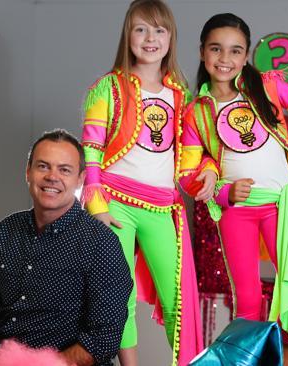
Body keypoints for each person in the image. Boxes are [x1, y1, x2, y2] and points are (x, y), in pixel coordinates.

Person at [179, 13, 288, 366]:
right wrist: (223, 193)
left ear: (247, 55)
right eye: (216, 49)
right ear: (202, 52)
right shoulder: (196, 113)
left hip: (283, 205)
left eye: (235, 51)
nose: (225, 59)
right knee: (247, 298)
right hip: (237, 211)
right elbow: (187, 173)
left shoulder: (267, 89)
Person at [80, 1, 203, 365]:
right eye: (141, 29)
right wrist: (97, 205)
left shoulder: (180, 95)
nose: (151, 38)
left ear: (171, 38)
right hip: (115, 204)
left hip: (162, 207)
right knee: (120, 295)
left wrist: (209, 171)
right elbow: (91, 149)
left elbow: (196, 150)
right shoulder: (107, 88)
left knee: (177, 298)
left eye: (159, 30)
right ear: (127, 36)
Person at [0, 129, 133, 366]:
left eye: (64, 170)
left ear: (80, 179)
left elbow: (102, 340)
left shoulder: (101, 243)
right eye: (43, 166)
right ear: (28, 172)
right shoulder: (7, 230)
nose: (52, 177)